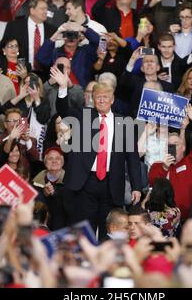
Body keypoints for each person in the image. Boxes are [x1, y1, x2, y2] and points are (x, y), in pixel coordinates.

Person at [55, 76, 143, 240]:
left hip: (112, 184)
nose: (101, 100)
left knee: (109, 232)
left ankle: (105, 263)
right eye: (98, 97)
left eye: (105, 97)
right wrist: (62, 88)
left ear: (112, 99)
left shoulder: (125, 122)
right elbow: (63, 110)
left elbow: (132, 157)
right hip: (85, 183)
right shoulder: (83, 116)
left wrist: (136, 186)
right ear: (92, 99)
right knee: (84, 231)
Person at [148, 104, 192, 221]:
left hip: (186, 219)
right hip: (161, 220)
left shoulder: (191, 162)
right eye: (170, 145)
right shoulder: (157, 166)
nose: (173, 147)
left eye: (176, 144)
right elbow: (153, 183)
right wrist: (164, 168)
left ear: (183, 147)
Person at [36, 21, 100, 88]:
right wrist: (55, 35)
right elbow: (40, 58)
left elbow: (100, 42)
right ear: (63, 36)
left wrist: (82, 29)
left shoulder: (86, 52)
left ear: (79, 37)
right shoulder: (55, 52)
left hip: (80, 92)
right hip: (58, 90)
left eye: (75, 35)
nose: (71, 38)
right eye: (68, 34)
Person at [1, 0, 55, 72]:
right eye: (42, 9)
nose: (46, 11)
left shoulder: (52, 30)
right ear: (32, 10)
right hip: (19, 73)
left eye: (46, 9)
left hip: (45, 75)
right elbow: (4, 47)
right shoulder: (14, 26)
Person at [121, 50, 175, 117]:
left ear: (158, 67)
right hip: (137, 123)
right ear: (142, 68)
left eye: (152, 61)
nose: (149, 64)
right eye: (146, 62)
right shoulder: (134, 83)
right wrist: (133, 59)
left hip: (160, 123)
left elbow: (171, 108)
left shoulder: (168, 87)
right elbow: (124, 81)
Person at [0, 108, 40, 174]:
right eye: (12, 121)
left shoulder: (31, 140)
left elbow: (35, 159)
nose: (15, 124)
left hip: (23, 177)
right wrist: (11, 137)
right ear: (5, 124)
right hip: (4, 175)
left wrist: (27, 141)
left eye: (18, 121)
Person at [32, 146, 66, 230]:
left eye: (57, 158)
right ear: (45, 162)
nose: (54, 161)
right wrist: (44, 195)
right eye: (50, 158)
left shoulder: (70, 180)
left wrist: (55, 194)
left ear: (62, 162)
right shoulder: (36, 181)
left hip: (62, 226)